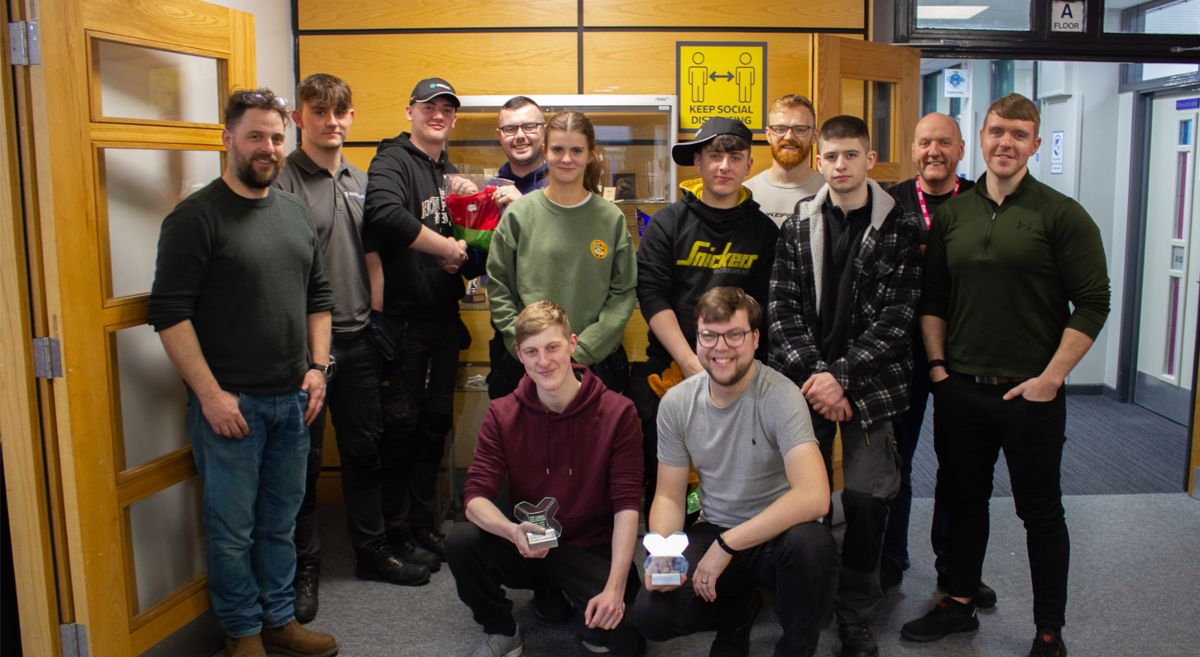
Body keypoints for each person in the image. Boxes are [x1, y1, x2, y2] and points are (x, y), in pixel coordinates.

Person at [902, 94, 1110, 657]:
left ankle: (1049, 631)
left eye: (1019, 134)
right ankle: (959, 602)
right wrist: (939, 369)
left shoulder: (1062, 215)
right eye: (997, 131)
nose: (1006, 143)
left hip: (1031, 396)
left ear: (1035, 145)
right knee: (963, 501)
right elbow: (934, 299)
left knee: (1040, 513)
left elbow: (1094, 302)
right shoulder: (955, 214)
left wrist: (1051, 379)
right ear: (982, 137)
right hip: (962, 391)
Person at [147, 88, 338, 657]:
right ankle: (242, 631)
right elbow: (170, 315)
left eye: (277, 137)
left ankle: (279, 619)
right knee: (232, 530)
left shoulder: (293, 211)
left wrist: (318, 368)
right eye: (255, 136)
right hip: (231, 407)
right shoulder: (194, 218)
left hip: (292, 402)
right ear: (227, 139)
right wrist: (209, 396)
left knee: (280, 523)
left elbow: (319, 298)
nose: (268, 148)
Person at [275, 74, 439, 622]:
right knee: (305, 463)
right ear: (299, 118)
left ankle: (372, 552)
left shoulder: (360, 179)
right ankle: (304, 568)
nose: (332, 121)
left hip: (360, 338)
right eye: (319, 111)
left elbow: (375, 256)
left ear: (351, 117)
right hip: (304, 350)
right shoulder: (283, 181)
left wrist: (379, 321)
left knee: (366, 452)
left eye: (340, 112)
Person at [768, 115, 921, 657]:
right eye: (831, 156)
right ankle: (802, 603)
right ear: (820, 160)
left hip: (871, 389)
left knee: (866, 500)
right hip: (804, 387)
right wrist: (818, 377)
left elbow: (898, 319)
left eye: (850, 155)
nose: (840, 165)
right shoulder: (797, 225)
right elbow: (781, 312)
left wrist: (842, 379)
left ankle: (856, 614)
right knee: (800, 501)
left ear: (869, 159)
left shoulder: (901, 227)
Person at [632, 287, 837, 657]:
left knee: (812, 547)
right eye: (709, 336)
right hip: (716, 525)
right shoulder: (677, 403)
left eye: (734, 335)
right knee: (653, 615)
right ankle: (738, 614)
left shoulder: (782, 396)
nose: (720, 347)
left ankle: (795, 650)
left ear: (755, 339)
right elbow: (668, 496)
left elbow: (814, 496)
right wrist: (663, 551)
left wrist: (728, 545)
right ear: (697, 339)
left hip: (779, 535)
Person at [445, 301, 644, 657]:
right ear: (519, 355)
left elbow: (627, 504)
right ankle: (502, 630)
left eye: (553, 347)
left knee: (624, 640)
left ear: (572, 344)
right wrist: (511, 531)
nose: (544, 361)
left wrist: (614, 588)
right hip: (532, 543)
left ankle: (557, 594)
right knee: (461, 540)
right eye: (532, 352)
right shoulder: (502, 413)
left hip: (590, 547)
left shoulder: (618, 411)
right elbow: (475, 497)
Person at [630, 116, 778, 513]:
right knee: (669, 486)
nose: (724, 166)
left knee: (738, 482)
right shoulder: (667, 224)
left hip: (742, 377)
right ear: (698, 162)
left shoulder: (764, 231)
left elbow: (764, 305)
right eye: (714, 155)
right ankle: (669, 552)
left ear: (749, 165)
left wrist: (730, 369)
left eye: (735, 157)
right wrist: (691, 365)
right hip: (672, 373)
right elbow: (652, 295)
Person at [881, 112, 994, 606]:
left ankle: (955, 568)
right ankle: (890, 560)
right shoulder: (890, 203)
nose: (934, 152)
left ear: (961, 149)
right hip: (899, 355)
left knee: (959, 467)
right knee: (896, 463)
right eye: (925, 142)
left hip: (962, 354)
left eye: (944, 143)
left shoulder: (983, 202)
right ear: (913, 149)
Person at [363, 76, 474, 563]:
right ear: (410, 111)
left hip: (443, 320)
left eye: (447, 109)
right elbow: (384, 214)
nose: (438, 115)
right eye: (429, 106)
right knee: (400, 429)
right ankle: (396, 532)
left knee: (434, 426)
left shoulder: (447, 171)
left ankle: (423, 525)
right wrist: (444, 246)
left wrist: (459, 250)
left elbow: (464, 242)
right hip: (403, 324)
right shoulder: (392, 160)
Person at [486, 110, 636, 400]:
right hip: (527, 366)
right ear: (545, 151)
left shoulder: (611, 219)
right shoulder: (519, 215)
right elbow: (499, 286)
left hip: (594, 364)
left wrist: (583, 349)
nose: (567, 159)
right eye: (558, 149)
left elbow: (623, 293)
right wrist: (530, 348)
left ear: (591, 154)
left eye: (576, 150)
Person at [743, 94, 824, 227]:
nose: (789, 136)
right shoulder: (745, 194)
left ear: (814, 135)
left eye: (800, 129)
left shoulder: (829, 193)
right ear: (768, 134)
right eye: (780, 129)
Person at [492, 95, 548, 207]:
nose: (520, 136)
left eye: (529, 126)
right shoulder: (492, 190)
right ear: (499, 136)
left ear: (544, 131)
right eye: (510, 129)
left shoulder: (564, 185)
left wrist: (522, 206)